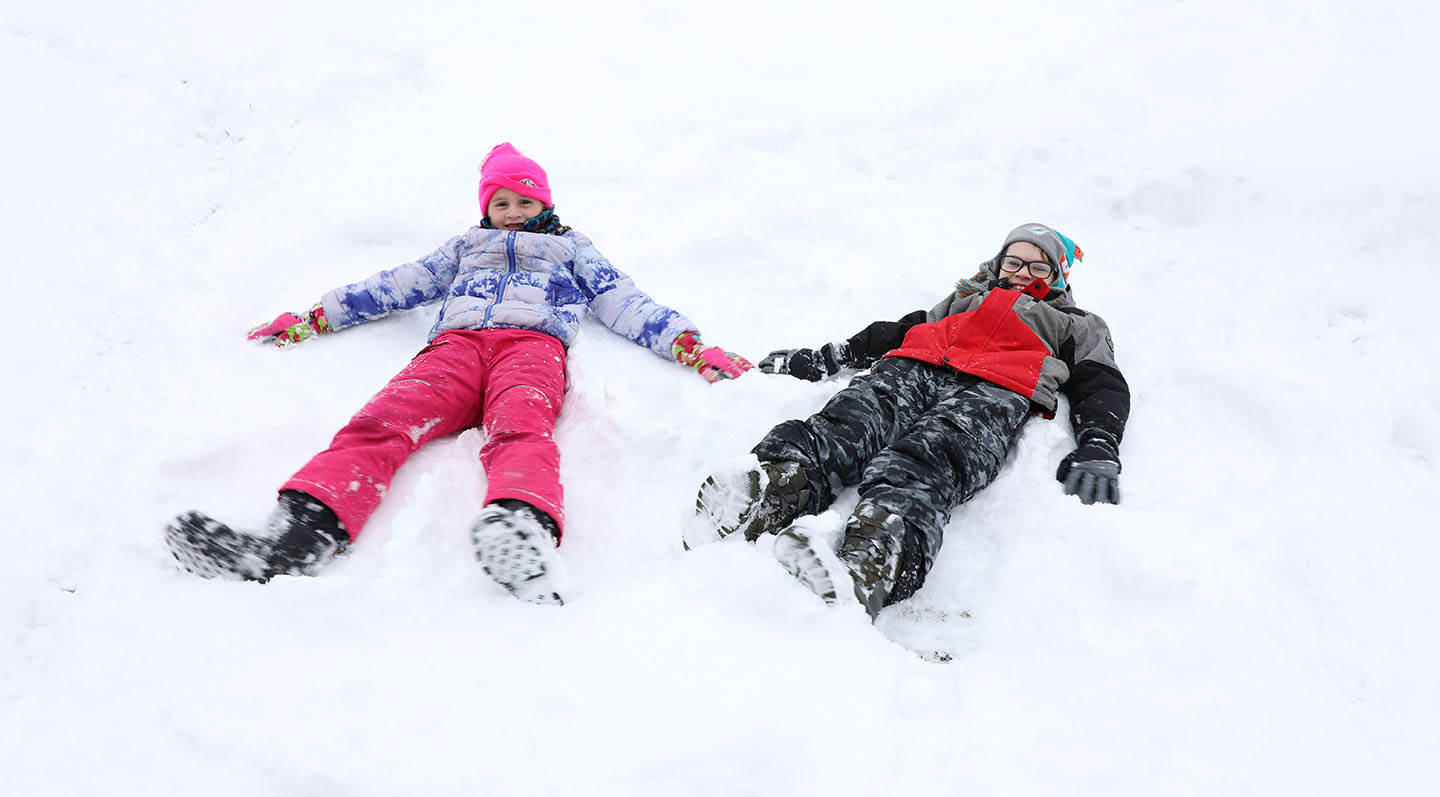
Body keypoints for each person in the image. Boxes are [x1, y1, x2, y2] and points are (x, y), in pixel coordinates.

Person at [166, 142, 752, 604]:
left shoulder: (572, 249)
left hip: (531, 351)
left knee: (520, 431)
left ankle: (519, 528)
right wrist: (315, 316)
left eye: (526, 202)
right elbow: (396, 284)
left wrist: (691, 346)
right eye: (502, 203)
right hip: (453, 352)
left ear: (545, 203)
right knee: (379, 423)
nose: (515, 213)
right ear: (485, 209)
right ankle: (296, 537)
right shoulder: (465, 247)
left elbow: (625, 302)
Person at [687, 223, 1129, 619]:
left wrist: (1100, 443)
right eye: (1014, 261)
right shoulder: (963, 300)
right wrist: (818, 360)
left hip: (994, 389)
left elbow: (1101, 383)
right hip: (914, 367)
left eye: (1039, 267)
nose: (1022, 272)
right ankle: (776, 490)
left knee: (933, 456)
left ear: (1058, 277)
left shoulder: (1075, 322)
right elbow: (891, 333)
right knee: (849, 421)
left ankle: (874, 560)